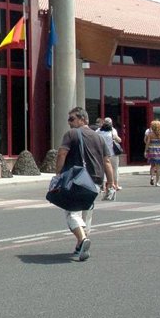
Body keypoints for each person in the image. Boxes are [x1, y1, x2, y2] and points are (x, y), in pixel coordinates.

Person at [54, 106, 111, 262]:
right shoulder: (99, 137)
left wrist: (58, 173)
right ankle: (81, 246)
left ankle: (83, 239)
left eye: (72, 119)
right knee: (87, 214)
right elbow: (107, 161)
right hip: (96, 182)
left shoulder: (71, 134)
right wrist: (111, 182)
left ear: (83, 119)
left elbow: (62, 153)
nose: (69, 122)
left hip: (77, 180)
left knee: (72, 213)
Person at [96, 117, 122, 199]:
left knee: (103, 170)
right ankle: (114, 185)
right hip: (112, 154)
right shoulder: (112, 131)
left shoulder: (98, 132)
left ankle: (103, 186)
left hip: (102, 154)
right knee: (114, 169)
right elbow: (119, 140)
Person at [143, 119, 160, 187]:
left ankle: (152, 177)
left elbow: (147, 143)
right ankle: (157, 182)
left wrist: (145, 151)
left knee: (152, 165)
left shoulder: (150, 134)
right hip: (159, 151)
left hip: (152, 151)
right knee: (158, 168)